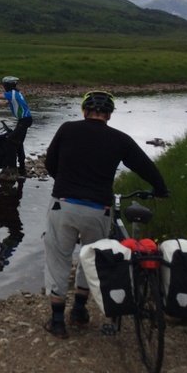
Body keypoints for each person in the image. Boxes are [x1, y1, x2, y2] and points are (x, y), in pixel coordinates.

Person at [42, 90, 169, 339]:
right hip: (99, 210)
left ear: (84, 111)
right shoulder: (120, 139)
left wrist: (65, 180)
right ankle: (79, 310)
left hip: (64, 205)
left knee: (58, 257)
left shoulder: (67, 129)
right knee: (91, 258)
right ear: (109, 115)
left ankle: (57, 320)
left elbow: (49, 164)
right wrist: (161, 189)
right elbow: (145, 166)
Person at [0, 76, 33, 177]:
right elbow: (3, 104)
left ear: (8, 85)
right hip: (24, 120)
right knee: (18, 143)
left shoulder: (12, 94)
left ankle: (12, 169)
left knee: (10, 142)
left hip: (24, 121)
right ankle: (22, 170)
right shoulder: (15, 94)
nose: (4, 87)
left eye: (4, 85)